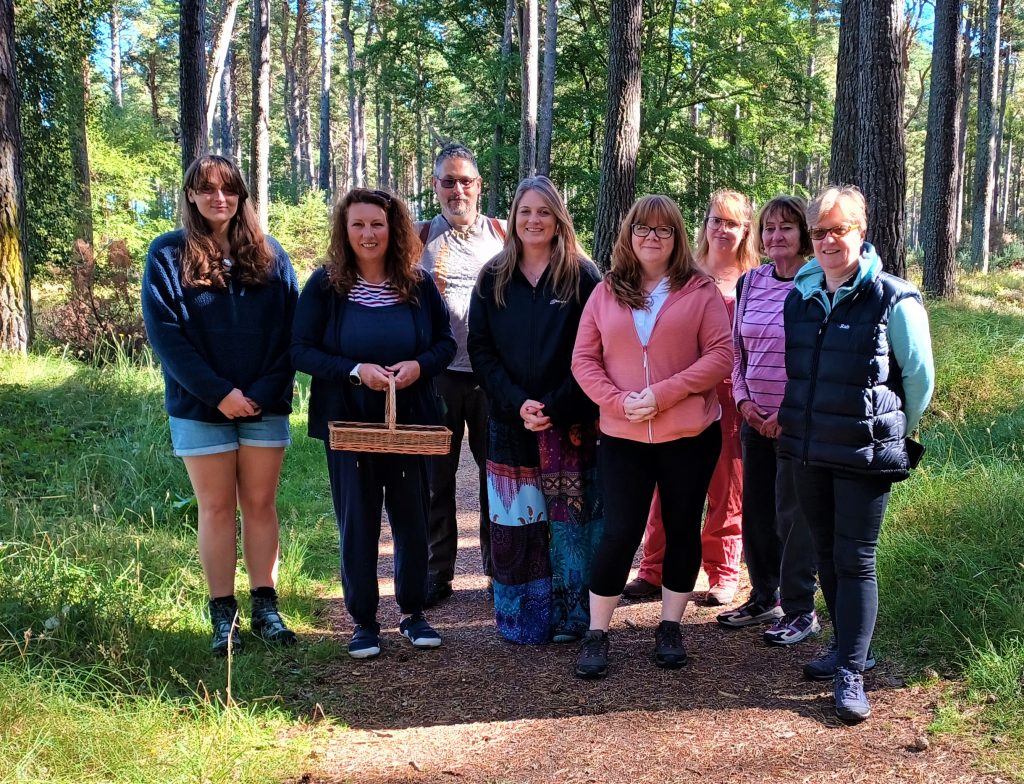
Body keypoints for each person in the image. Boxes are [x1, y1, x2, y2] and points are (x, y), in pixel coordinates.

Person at [777, 185, 934, 722]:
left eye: (837, 230)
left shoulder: (894, 297)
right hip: (808, 446)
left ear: (861, 232)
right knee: (824, 551)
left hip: (866, 452)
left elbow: (919, 378)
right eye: (818, 231)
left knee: (855, 558)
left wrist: (891, 432)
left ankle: (852, 672)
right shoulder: (800, 295)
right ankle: (847, 647)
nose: (826, 240)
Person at [141, 154, 298, 655]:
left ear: (241, 196)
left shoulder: (271, 256)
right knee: (214, 509)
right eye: (206, 189)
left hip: (264, 403)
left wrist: (258, 391)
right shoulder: (167, 255)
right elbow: (167, 338)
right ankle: (222, 618)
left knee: (259, 504)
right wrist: (219, 393)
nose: (218, 198)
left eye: (228, 189)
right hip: (198, 405)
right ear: (190, 195)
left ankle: (266, 610)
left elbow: (291, 333)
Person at [291, 188, 456, 660]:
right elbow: (300, 348)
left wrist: (418, 367)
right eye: (359, 224)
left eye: (377, 225)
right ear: (345, 229)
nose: (368, 234)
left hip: (413, 419)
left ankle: (413, 611)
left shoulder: (419, 284)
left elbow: (444, 344)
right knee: (358, 519)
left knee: (412, 517)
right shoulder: (325, 285)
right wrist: (353, 369)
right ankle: (363, 620)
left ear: (394, 229)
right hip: (349, 419)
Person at [572, 195, 733, 678]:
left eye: (663, 230)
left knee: (682, 527)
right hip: (622, 434)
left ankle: (670, 626)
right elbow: (584, 359)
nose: (652, 237)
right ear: (629, 234)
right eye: (642, 228)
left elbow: (721, 355)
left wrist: (663, 395)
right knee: (620, 531)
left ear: (677, 238)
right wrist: (619, 402)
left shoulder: (699, 290)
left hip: (688, 433)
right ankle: (597, 632)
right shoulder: (606, 292)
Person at [467, 176, 603, 644]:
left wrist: (555, 405)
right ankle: (524, 617)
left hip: (570, 422)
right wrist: (515, 402)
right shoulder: (493, 276)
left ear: (558, 218)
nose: (534, 220)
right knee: (516, 523)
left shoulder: (583, 276)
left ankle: (572, 617)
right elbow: (479, 348)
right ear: (513, 218)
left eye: (544, 211)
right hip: (509, 419)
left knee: (571, 527)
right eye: (525, 211)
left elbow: (597, 348)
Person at [623, 189, 758, 606]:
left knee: (727, 487)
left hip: (732, 395)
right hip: (677, 393)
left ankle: (723, 570)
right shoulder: (684, 273)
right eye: (715, 220)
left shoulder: (755, 278)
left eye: (732, 222)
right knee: (667, 485)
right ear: (704, 225)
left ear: (745, 230)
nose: (722, 229)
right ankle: (653, 567)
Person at [715, 195, 821, 648]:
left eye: (787, 228)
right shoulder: (751, 281)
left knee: (794, 515)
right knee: (756, 509)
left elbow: (818, 358)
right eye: (770, 229)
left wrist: (787, 412)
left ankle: (801, 609)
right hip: (753, 418)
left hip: (798, 421)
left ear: (804, 236)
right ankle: (763, 595)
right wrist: (742, 401)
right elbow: (738, 350)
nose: (777, 237)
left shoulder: (818, 283)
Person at [416, 143, 507, 607]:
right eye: (448, 181)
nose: (458, 189)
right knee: (437, 477)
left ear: (479, 185)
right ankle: (437, 572)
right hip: (439, 375)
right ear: (435, 186)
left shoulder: (502, 233)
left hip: (492, 375)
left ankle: (498, 569)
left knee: (497, 475)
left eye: (465, 181)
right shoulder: (416, 237)